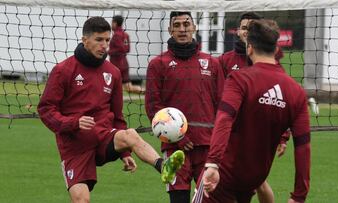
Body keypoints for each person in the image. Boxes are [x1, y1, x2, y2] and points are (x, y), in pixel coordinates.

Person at [37, 16, 184, 203]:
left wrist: (124, 153)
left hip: (103, 137)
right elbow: (46, 110)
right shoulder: (63, 70)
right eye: (99, 40)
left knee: (129, 134)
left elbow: (118, 118)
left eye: (107, 40)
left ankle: (163, 167)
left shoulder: (113, 72)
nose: (104, 45)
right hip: (75, 148)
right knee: (81, 200)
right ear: (85, 40)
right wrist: (73, 122)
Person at [193, 19, 311, 203]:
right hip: (252, 179)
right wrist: (299, 196)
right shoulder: (297, 92)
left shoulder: (239, 79)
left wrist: (213, 163)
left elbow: (224, 119)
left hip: (223, 175)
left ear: (249, 48)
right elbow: (303, 147)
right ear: (276, 50)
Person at [145, 11, 225, 203]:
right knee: (179, 199)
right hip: (174, 149)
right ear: (170, 29)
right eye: (177, 25)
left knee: (208, 199)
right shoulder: (158, 64)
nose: (182, 29)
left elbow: (222, 105)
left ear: (194, 27)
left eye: (186, 24)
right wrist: (179, 137)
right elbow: (154, 107)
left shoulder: (212, 63)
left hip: (208, 147)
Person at [219, 12, 291, 203]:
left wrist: (283, 136)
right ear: (237, 32)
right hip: (230, 133)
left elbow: (280, 98)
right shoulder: (225, 61)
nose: (247, 31)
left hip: (257, 133)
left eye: (251, 27)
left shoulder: (270, 62)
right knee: (235, 181)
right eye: (244, 27)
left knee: (256, 180)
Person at [109, 15, 143, 94]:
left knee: (111, 87)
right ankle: (147, 92)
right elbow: (127, 49)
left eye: (112, 22)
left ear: (115, 23)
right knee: (128, 88)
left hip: (117, 65)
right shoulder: (125, 35)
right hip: (124, 63)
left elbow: (121, 48)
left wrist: (109, 52)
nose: (111, 24)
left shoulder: (116, 35)